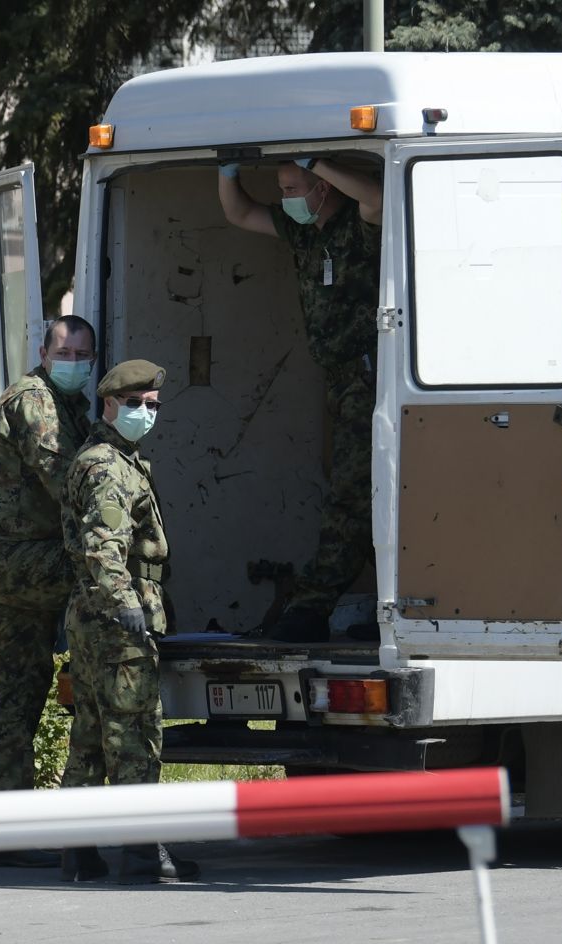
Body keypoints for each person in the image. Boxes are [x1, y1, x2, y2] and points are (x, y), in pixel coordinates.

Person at [218, 157, 383, 643]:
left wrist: (317, 161)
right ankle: (393, 597)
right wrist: (227, 170)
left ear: (324, 189)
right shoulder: (302, 232)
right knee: (363, 496)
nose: (286, 196)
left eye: (294, 187)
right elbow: (239, 214)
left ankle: (309, 609)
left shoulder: (361, 222)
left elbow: (375, 196)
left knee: (351, 499)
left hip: (372, 382)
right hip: (339, 383)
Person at [58, 360, 198, 885]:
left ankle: (77, 852)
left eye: (153, 406)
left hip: (98, 616)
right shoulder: (108, 466)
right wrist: (127, 605)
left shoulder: (111, 459)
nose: (146, 413)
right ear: (110, 404)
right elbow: (103, 548)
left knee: (92, 737)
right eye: (137, 404)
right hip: (117, 619)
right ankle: (144, 854)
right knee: (136, 735)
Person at [0, 317, 96, 868]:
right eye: (64, 351)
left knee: (17, 692)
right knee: (107, 574)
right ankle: (8, 831)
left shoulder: (69, 406)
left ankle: (3, 832)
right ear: (43, 351)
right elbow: (65, 476)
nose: (73, 361)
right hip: (18, 558)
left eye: (83, 354)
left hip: (25, 556)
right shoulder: (33, 400)